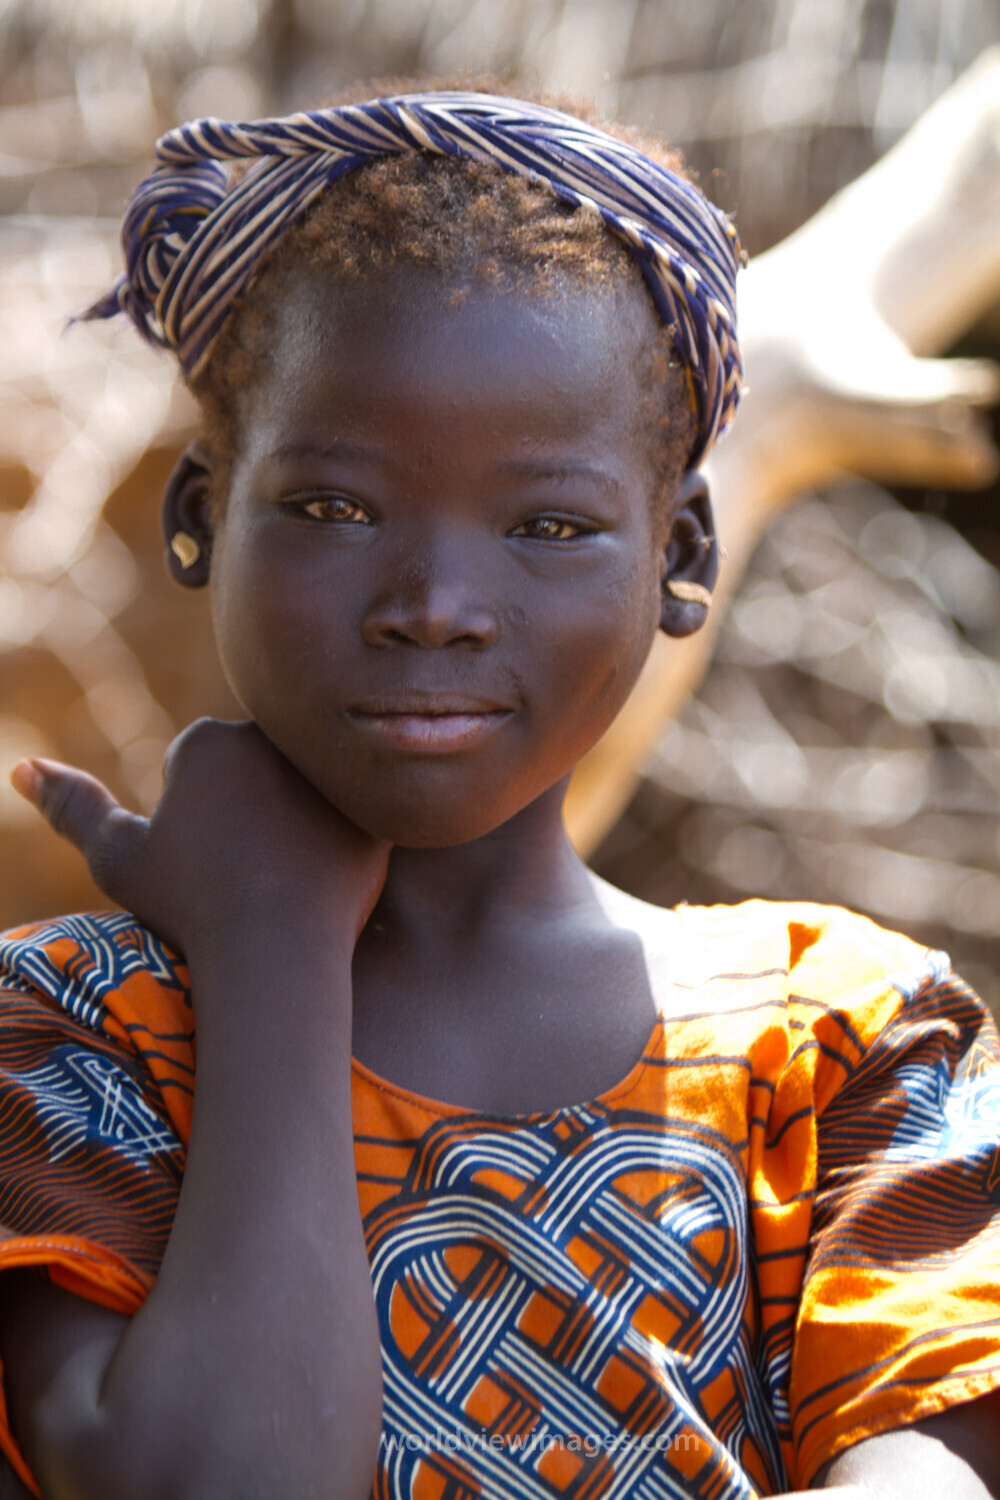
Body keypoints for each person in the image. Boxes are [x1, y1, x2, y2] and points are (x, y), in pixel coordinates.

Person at [0, 81, 997, 1500]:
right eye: (337, 507)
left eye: (548, 524)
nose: (437, 604)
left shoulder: (850, 1044)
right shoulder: (61, 1042)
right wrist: (273, 952)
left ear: (682, 554)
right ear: (199, 517)